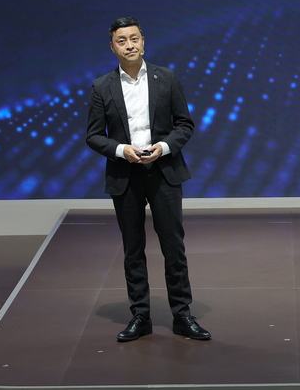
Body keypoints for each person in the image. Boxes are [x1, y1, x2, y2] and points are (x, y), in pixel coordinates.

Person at [86, 17, 211, 342]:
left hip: (164, 171)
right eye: (122, 40)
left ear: (143, 41)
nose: (129, 45)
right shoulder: (102, 86)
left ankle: (182, 315)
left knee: (174, 247)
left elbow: (184, 124)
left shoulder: (166, 78)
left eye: (134, 38)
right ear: (112, 47)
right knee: (133, 249)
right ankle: (140, 316)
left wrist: (164, 147)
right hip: (125, 174)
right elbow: (94, 136)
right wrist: (121, 150)